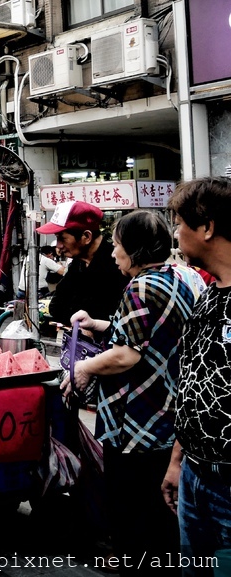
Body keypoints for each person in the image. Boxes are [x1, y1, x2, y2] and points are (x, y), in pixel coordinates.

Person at [62, 210, 199, 574]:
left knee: (134, 522)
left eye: (119, 246)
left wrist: (84, 368)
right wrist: (98, 324)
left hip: (138, 424)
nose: (113, 253)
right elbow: (145, 333)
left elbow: (126, 355)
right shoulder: (183, 276)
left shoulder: (140, 285)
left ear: (135, 251)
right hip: (172, 421)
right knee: (165, 522)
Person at [161, 179, 231, 573]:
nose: (175, 232)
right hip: (195, 477)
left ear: (206, 227)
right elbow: (192, 387)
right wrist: (178, 462)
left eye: (179, 222)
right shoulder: (208, 296)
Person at [36, 200, 128, 329]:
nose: (58, 246)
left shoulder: (118, 266)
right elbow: (56, 307)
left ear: (86, 236)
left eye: (62, 238)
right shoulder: (77, 264)